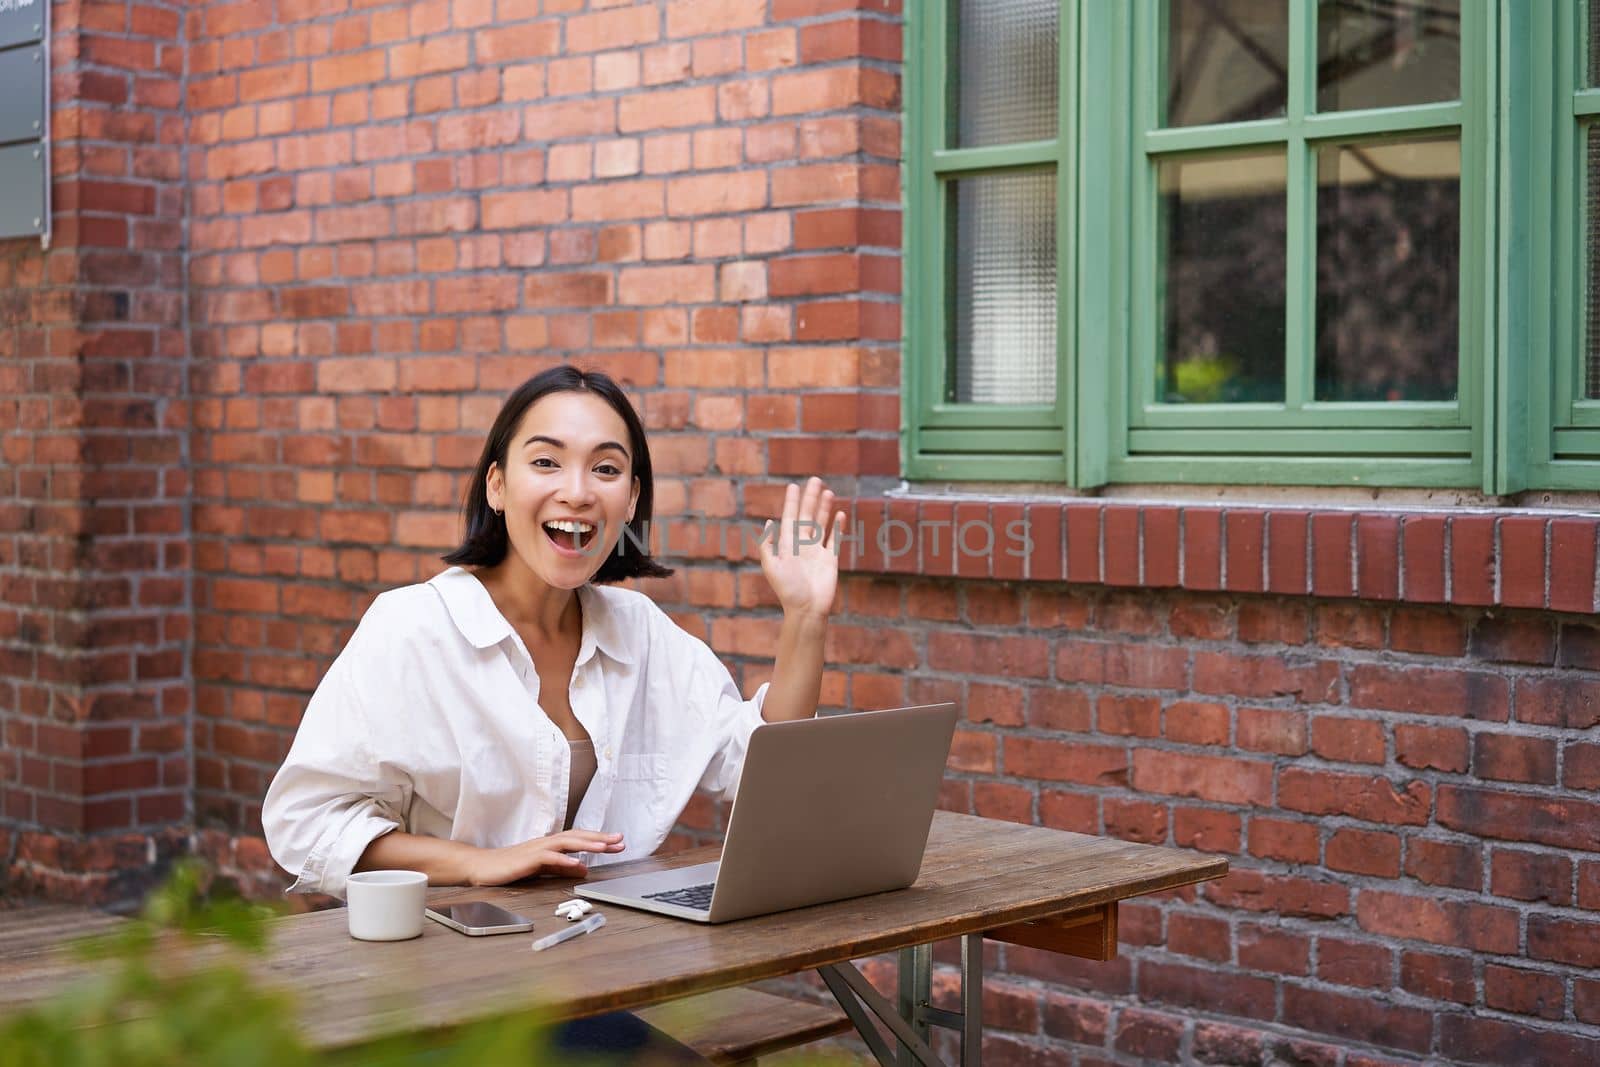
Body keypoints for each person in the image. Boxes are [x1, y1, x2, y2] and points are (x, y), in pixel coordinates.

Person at [262, 365, 844, 1063]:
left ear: (631, 497)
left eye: (606, 467)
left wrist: (805, 620)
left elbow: (757, 766)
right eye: (545, 460)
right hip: (431, 990)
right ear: (498, 484)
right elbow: (307, 822)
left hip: (580, 983)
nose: (576, 490)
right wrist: (480, 863)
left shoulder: (638, 628)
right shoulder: (412, 628)